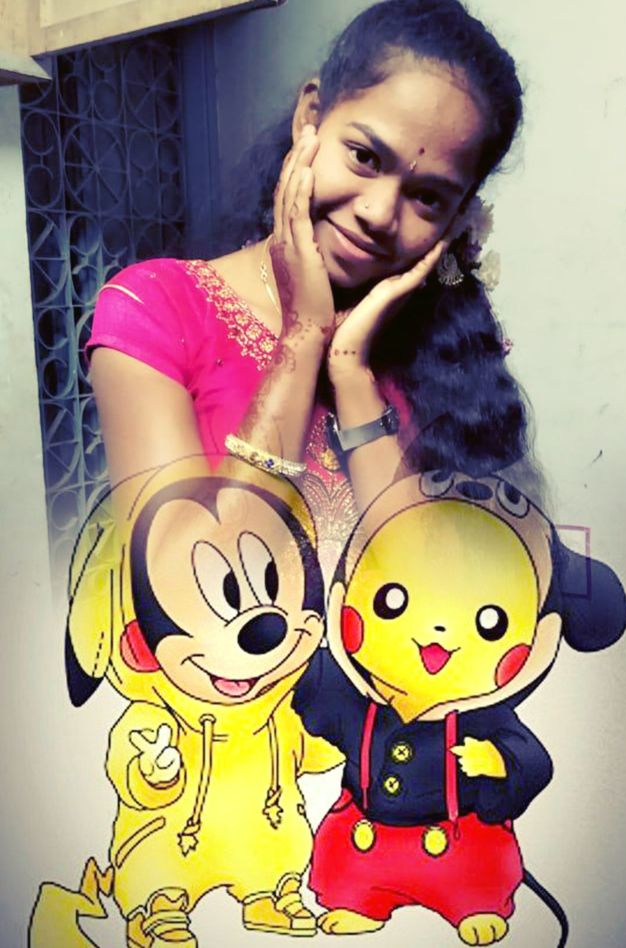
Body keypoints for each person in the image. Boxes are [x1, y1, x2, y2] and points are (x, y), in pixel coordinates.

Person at [88, 0, 534, 576]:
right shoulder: (155, 309)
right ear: (311, 116)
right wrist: (302, 339)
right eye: (365, 157)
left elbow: (436, 596)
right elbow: (184, 583)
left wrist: (351, 371)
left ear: (458, 216)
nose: (379, 213)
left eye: (428, 197)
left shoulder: (452, 359)